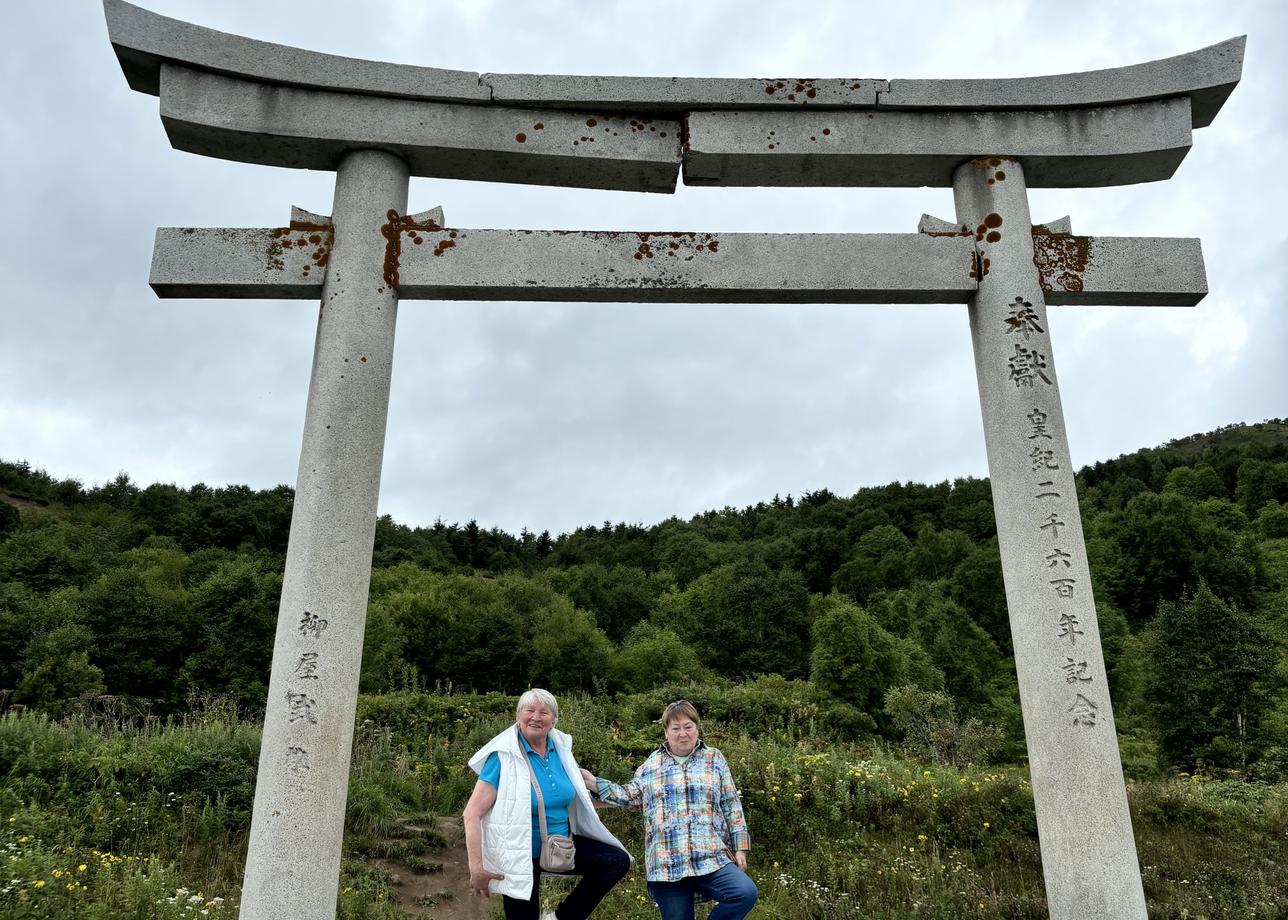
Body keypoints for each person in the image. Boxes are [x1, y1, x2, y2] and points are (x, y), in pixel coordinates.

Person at [581, 700, 757, 920]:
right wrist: (594, 783)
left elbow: (732, 804)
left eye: (688, 726)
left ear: (697, 728)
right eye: (675, 728)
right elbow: (631, 796)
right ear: (666, 732)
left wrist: (740, 848)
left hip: (711, 857)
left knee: (744, 893)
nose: (682, 733)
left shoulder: (715, 758)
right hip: (667, 865)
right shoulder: (651, 765)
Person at [464, 688, 631, 920]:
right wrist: (477, 869)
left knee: (616, 861)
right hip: (519, 854)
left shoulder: (560, 751)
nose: (536, 717)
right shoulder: (502, 757)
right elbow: (472, 813)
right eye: (529, 710)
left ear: (553, 720)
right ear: (518, 716)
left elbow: (573, 798)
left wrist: (623, 801)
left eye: (544, 712)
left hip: (560, 846)